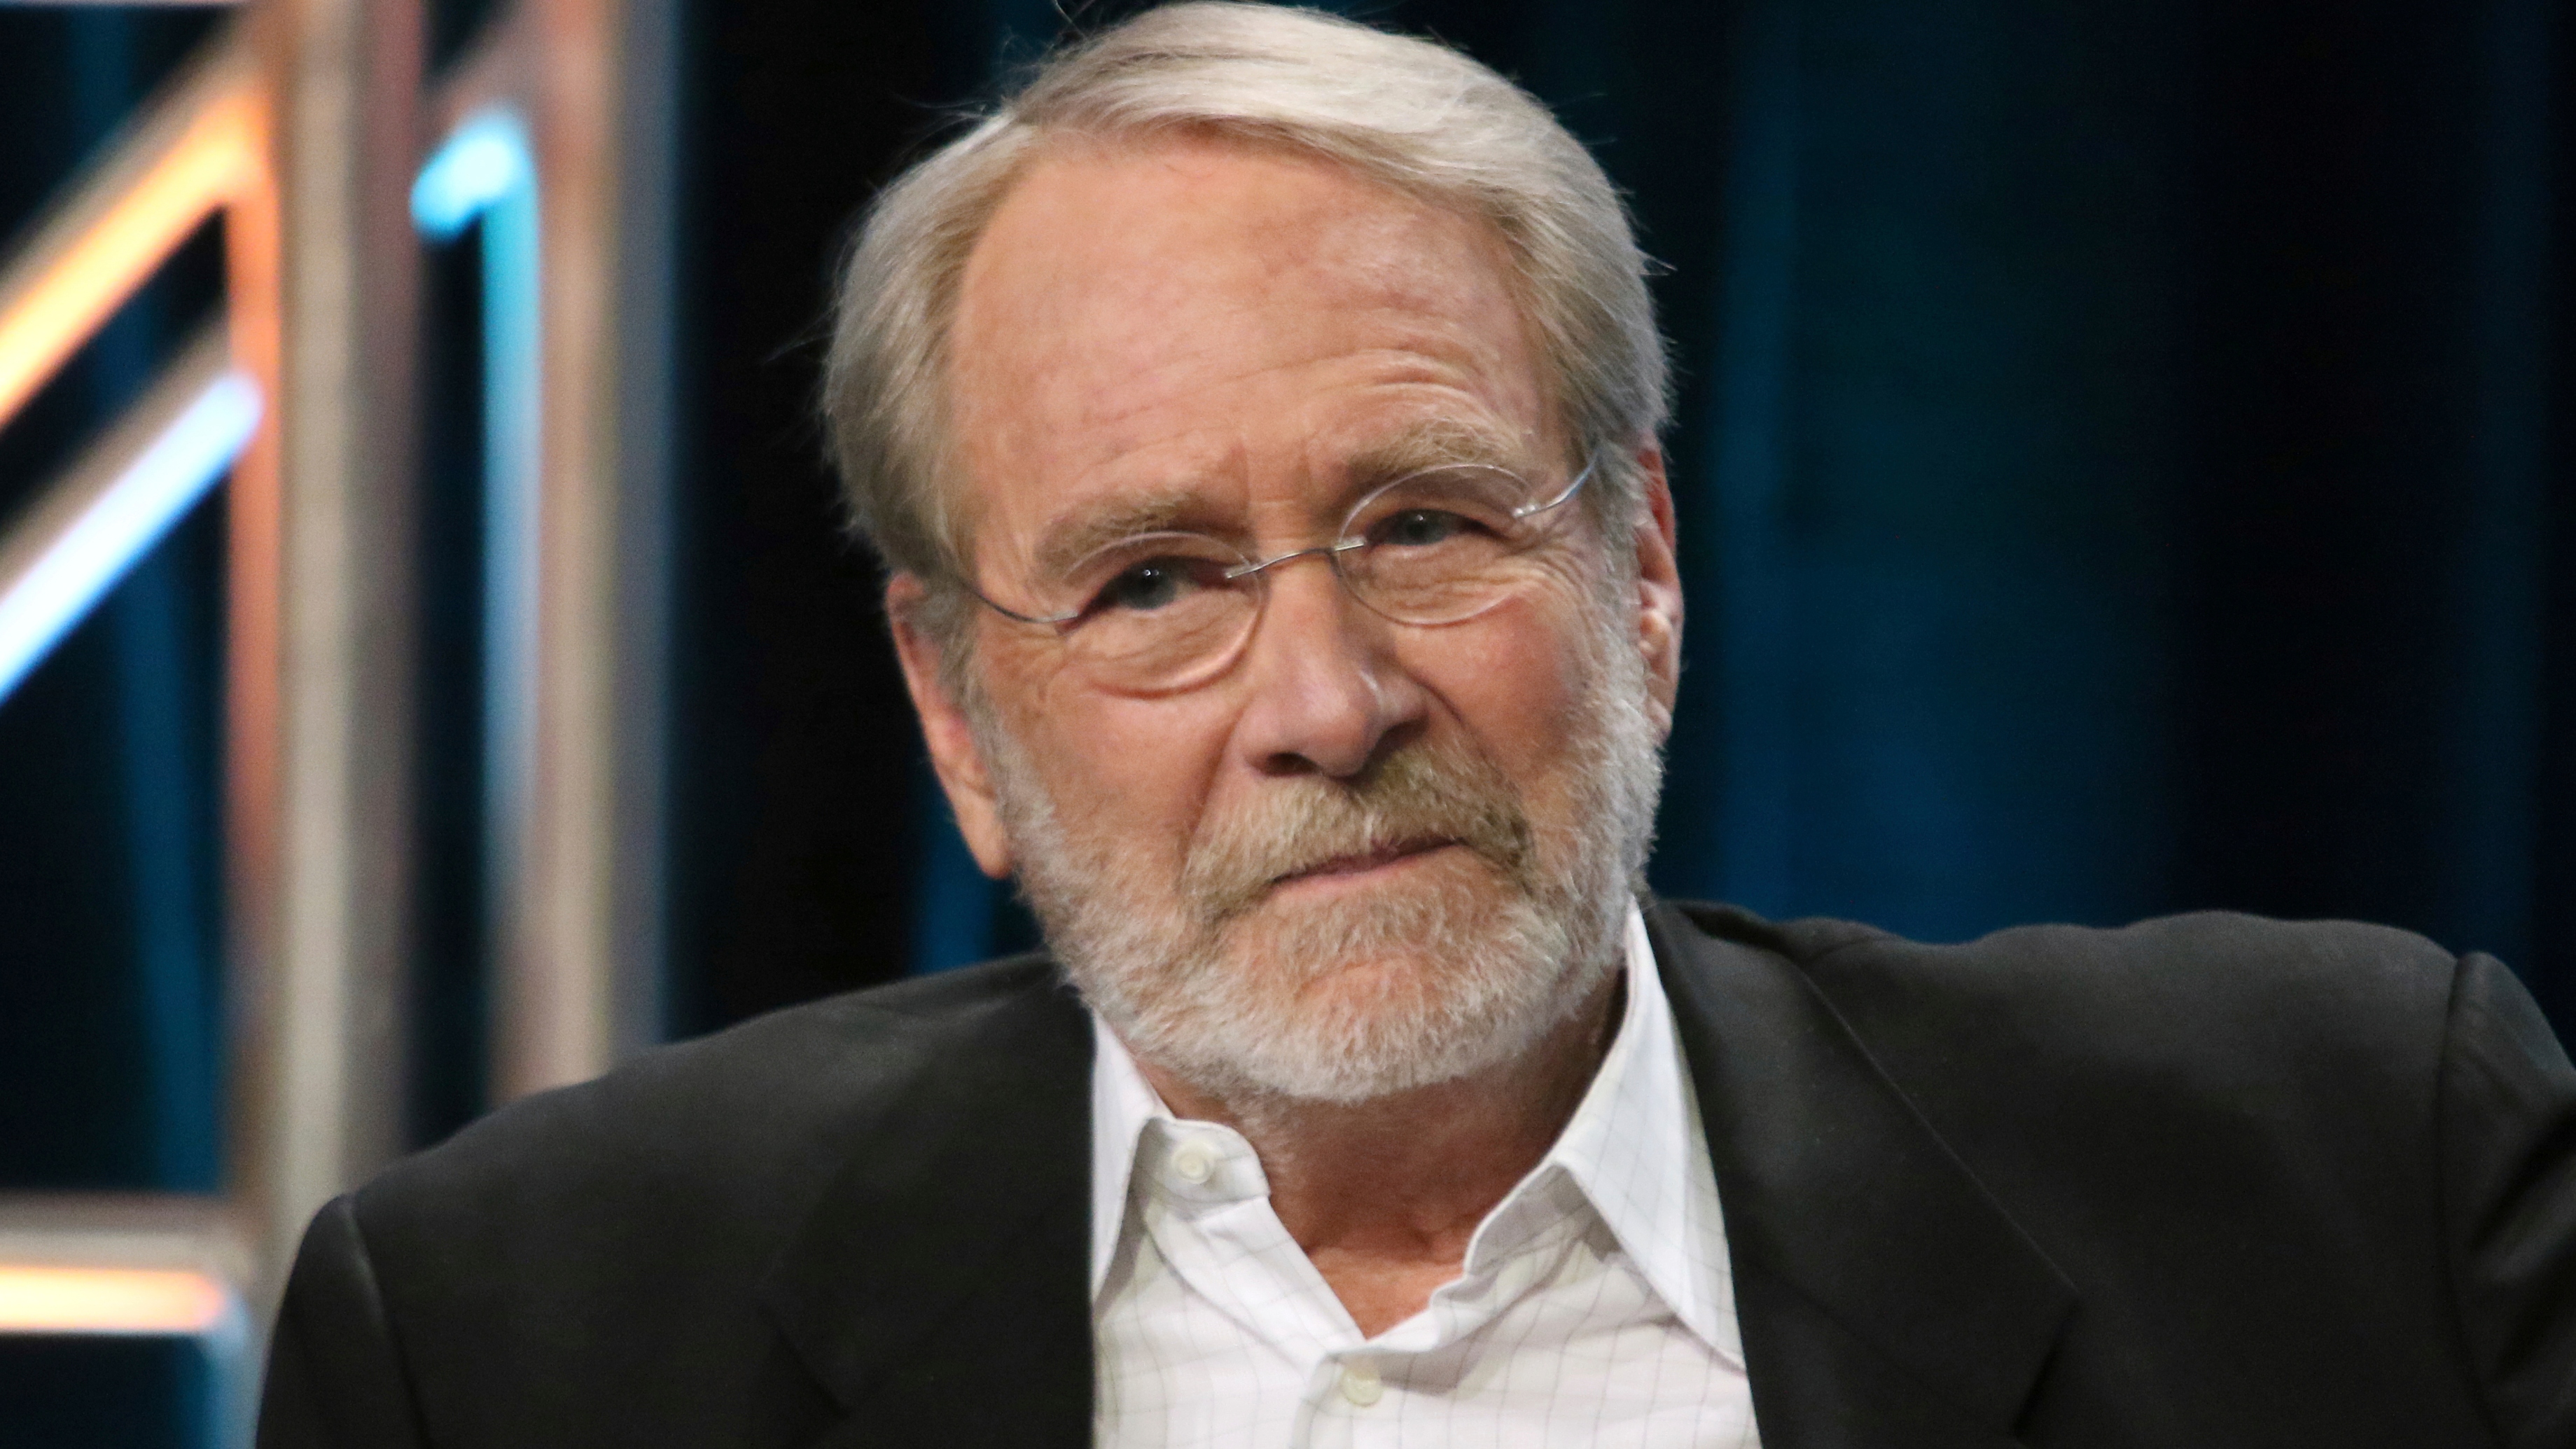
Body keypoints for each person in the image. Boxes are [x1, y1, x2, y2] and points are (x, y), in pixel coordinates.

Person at [256, 5, 2576, 1446]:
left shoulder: (2340, 1175)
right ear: (959, 714)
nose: (1331, 703)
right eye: (1155, 583)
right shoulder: (516, 1348)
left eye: (1428, 522)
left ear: (1643, 570)